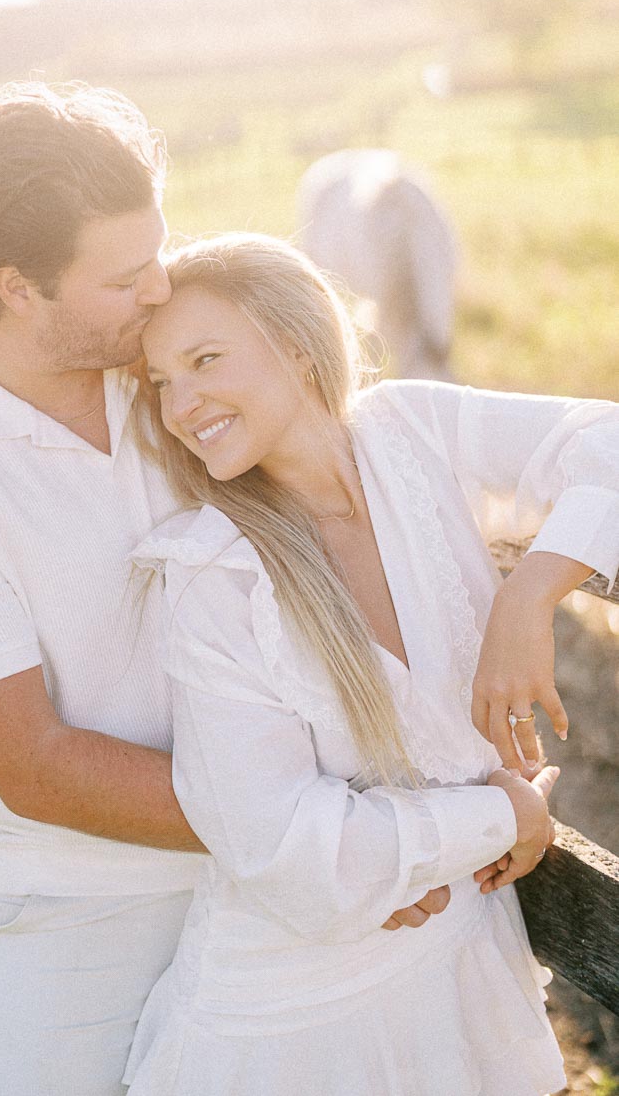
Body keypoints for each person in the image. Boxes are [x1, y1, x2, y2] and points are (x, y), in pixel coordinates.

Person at [0, 83, 461, 1096]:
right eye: (126, 275)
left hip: (281, 878)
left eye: (158, 254)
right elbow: (33, 764)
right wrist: (313, 839)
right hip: (81, 912)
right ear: (18, 287)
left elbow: (356, 499)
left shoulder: (169, 369)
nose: (161, 289)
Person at [122, 233, 619, 1095]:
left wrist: (529, 594)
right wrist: (502, 819)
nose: (179, 406)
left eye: (204, 360)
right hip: (294, 1025)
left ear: (299, 345)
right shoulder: (217, 573)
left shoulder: (411, 431)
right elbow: (277, 846)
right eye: (162, 383)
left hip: (459, 974)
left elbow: (604, 438)